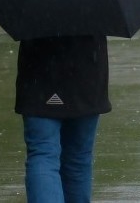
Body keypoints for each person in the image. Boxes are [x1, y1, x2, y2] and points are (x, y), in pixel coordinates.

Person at [15, 35, 111, 203]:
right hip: (87, 67)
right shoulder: (97, 9)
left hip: (38, 69)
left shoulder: (33, 9)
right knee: (78, 157)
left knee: (43, 152)